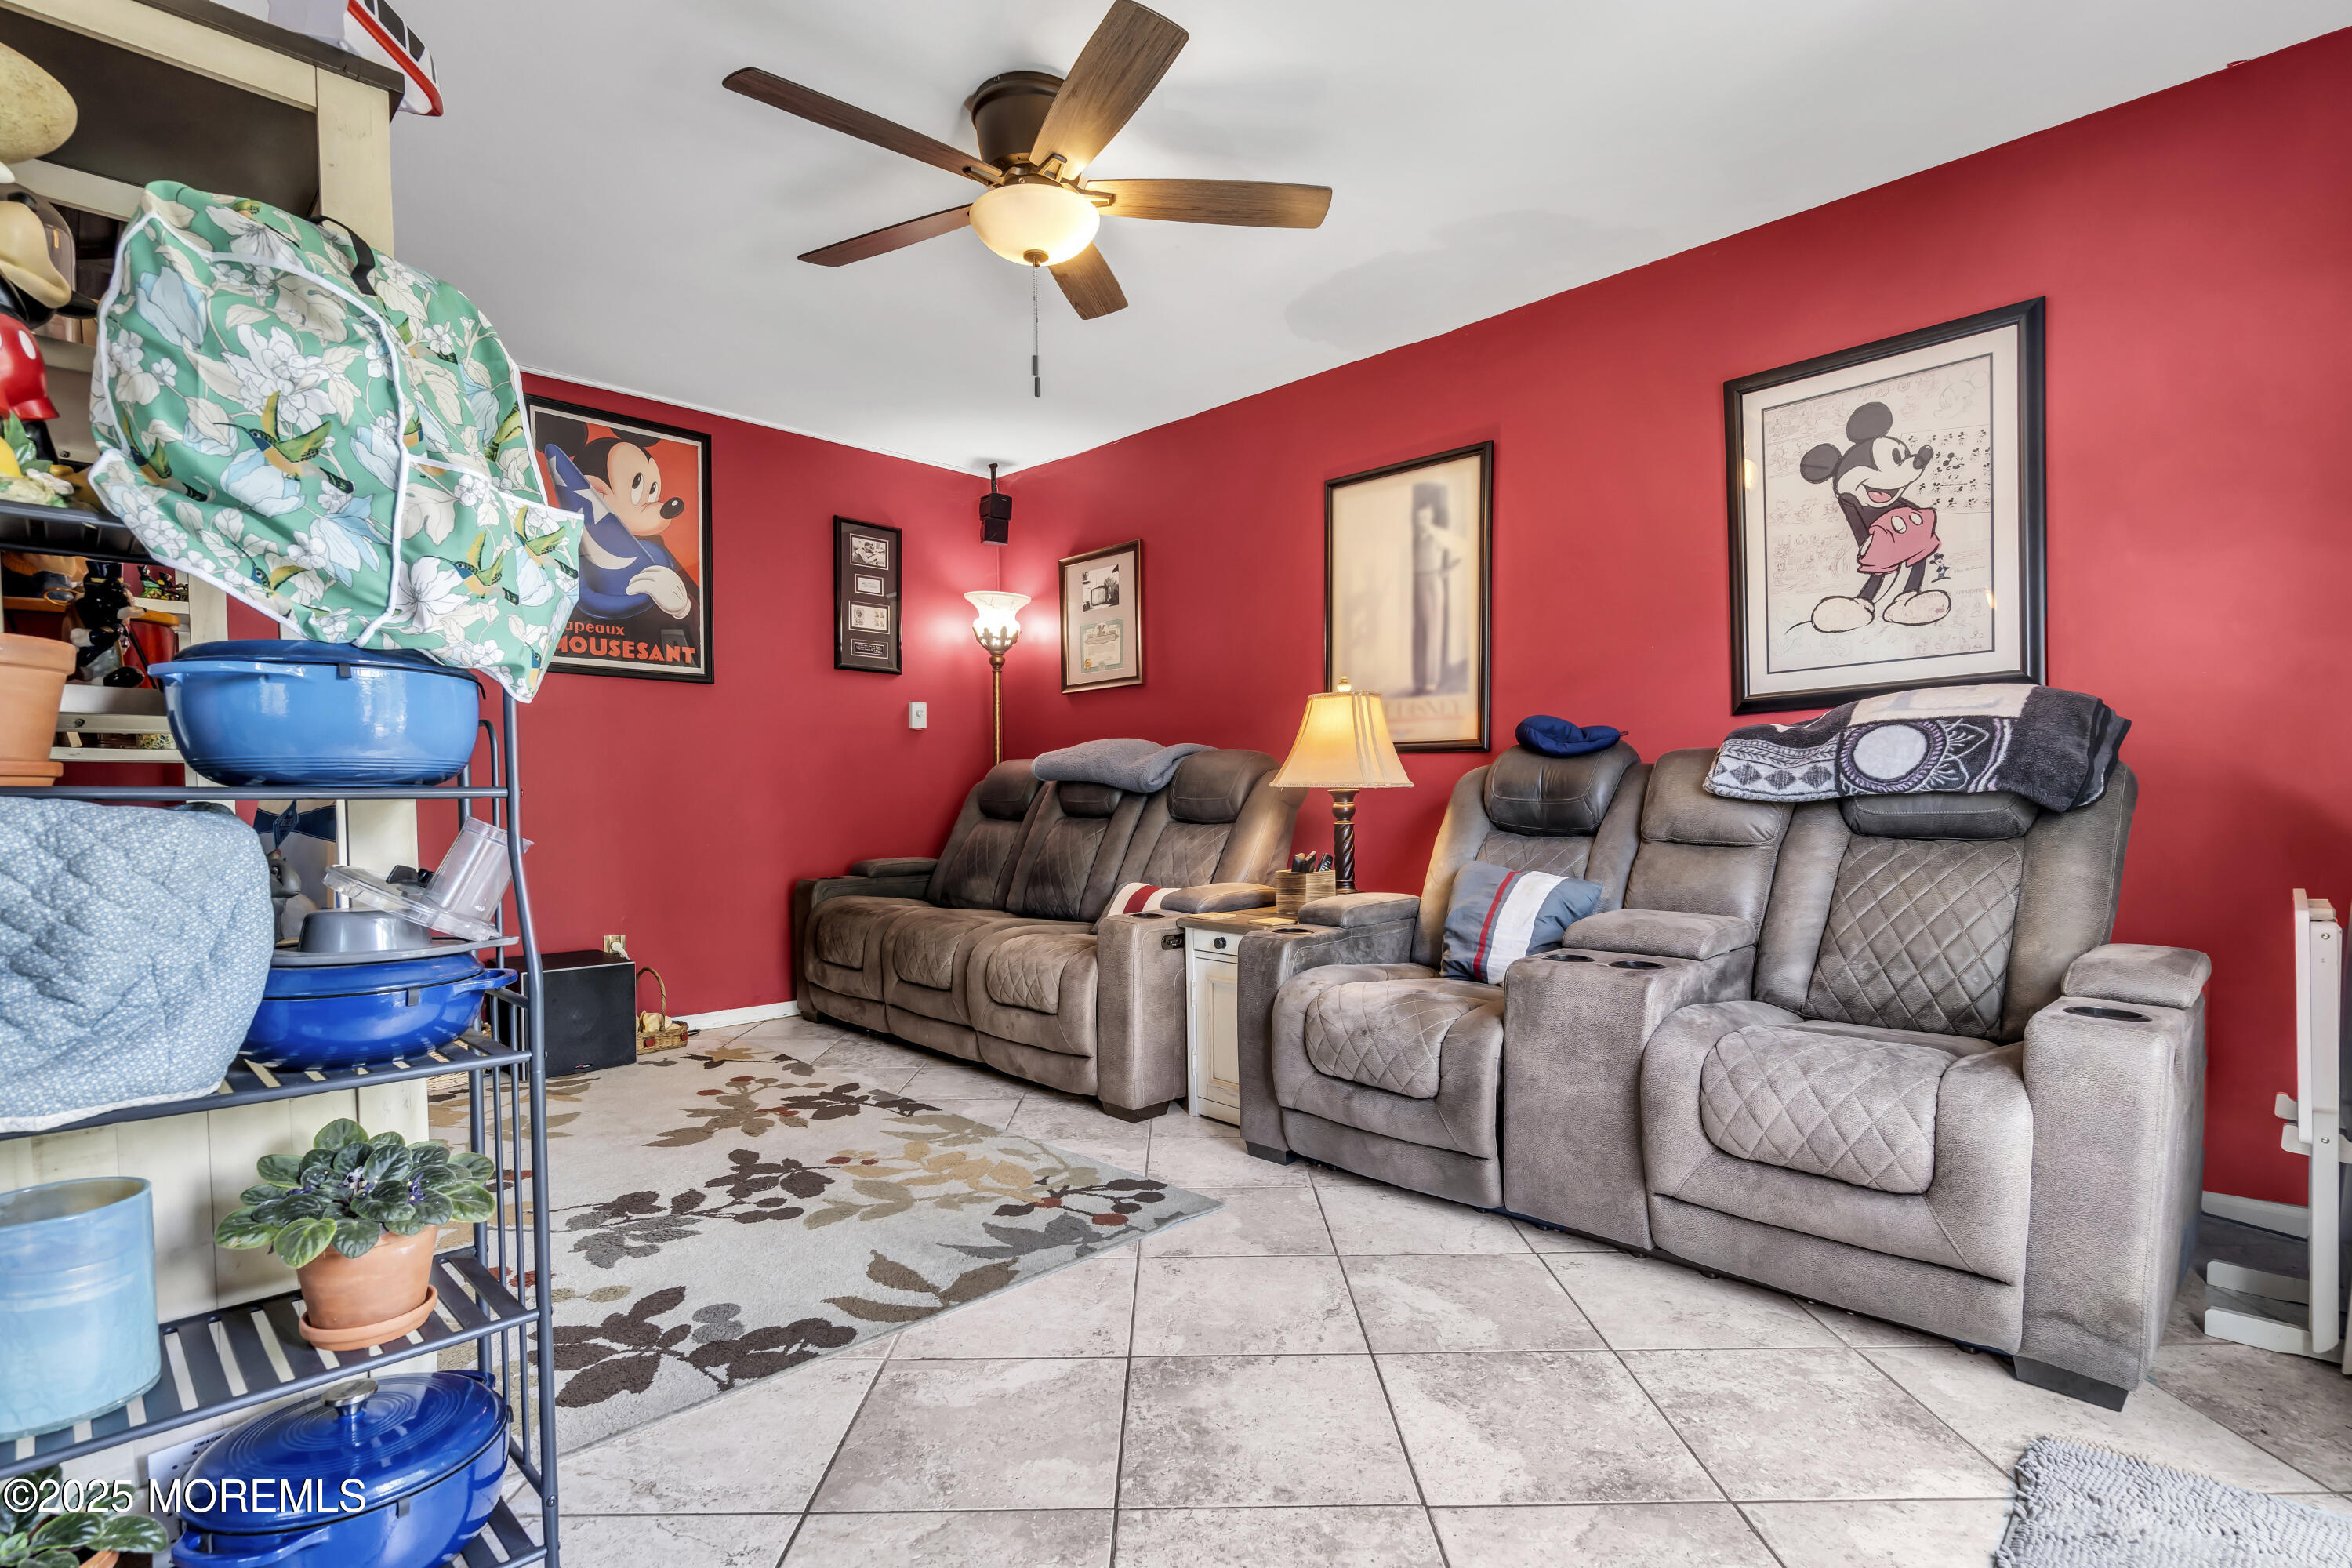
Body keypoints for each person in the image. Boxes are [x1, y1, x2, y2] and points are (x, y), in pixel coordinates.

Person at [1409, 481, 1458, 695]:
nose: (1422, 522)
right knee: (1420, 629)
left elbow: (1461, 551)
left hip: (1433, 582)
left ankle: (1432, 679)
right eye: (1419, 518)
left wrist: (1444, 572)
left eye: (1426, 518)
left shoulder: (1438, 535)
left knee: (1433, 630)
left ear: (1431, 518)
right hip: (1417, 581)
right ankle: (1420, 678)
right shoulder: (1415, 538)